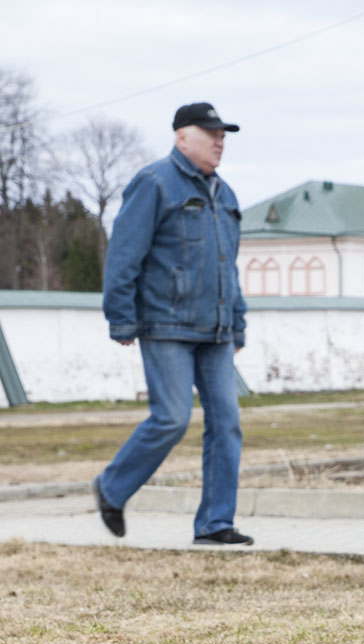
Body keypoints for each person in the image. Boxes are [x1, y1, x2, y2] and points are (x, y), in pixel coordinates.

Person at [93, 101, 252, 546]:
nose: (220, 142)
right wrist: (121, 317)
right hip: (165, 324)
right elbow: (124, 254)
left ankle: (215, 524)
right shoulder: (155, 182)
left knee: (227, 423)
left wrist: (237, 322)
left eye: (223, 135)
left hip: (216, 331)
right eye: (211, 134)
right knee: (172, 419)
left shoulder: (225, 194)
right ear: (182, 136)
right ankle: (112, 487)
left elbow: (228, 266)